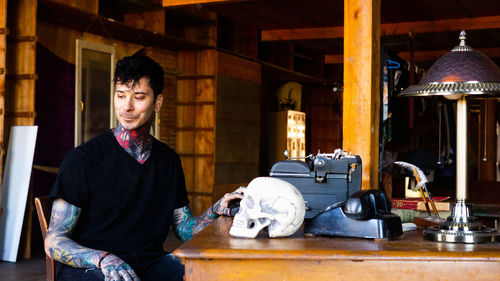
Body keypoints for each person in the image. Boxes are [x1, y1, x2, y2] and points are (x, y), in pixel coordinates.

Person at [45, 55, 243, 281]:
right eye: (120, 96)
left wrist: (215, 210)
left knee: (211, 275)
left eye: (138, 97)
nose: (126, 106)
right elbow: (54, 242)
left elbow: (184, 229)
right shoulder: (83, 159)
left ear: (158, 103)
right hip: (91, 268)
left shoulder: (168, 161)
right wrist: (104, 259)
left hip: (149, 263)